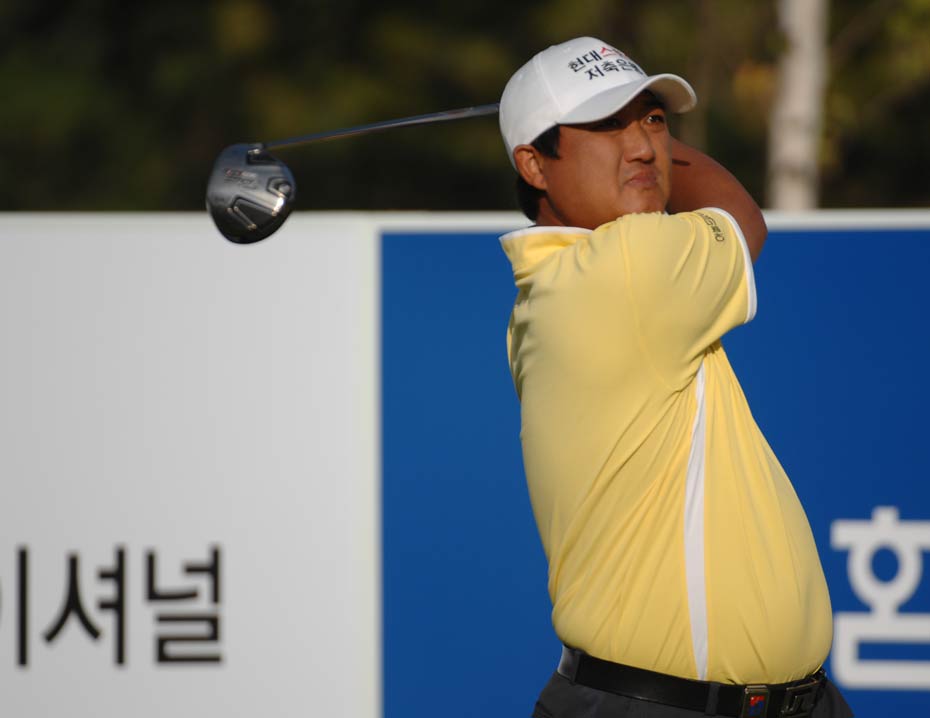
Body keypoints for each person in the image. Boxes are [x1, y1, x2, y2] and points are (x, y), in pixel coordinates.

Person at [497, 37, 854, 718]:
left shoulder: (553, 288)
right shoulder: (626, 268)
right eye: (607, 124)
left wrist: (629, 149)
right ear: (533, 164)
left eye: (654, 120)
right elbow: (741, 217)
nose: (642, 146)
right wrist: (660, 159)